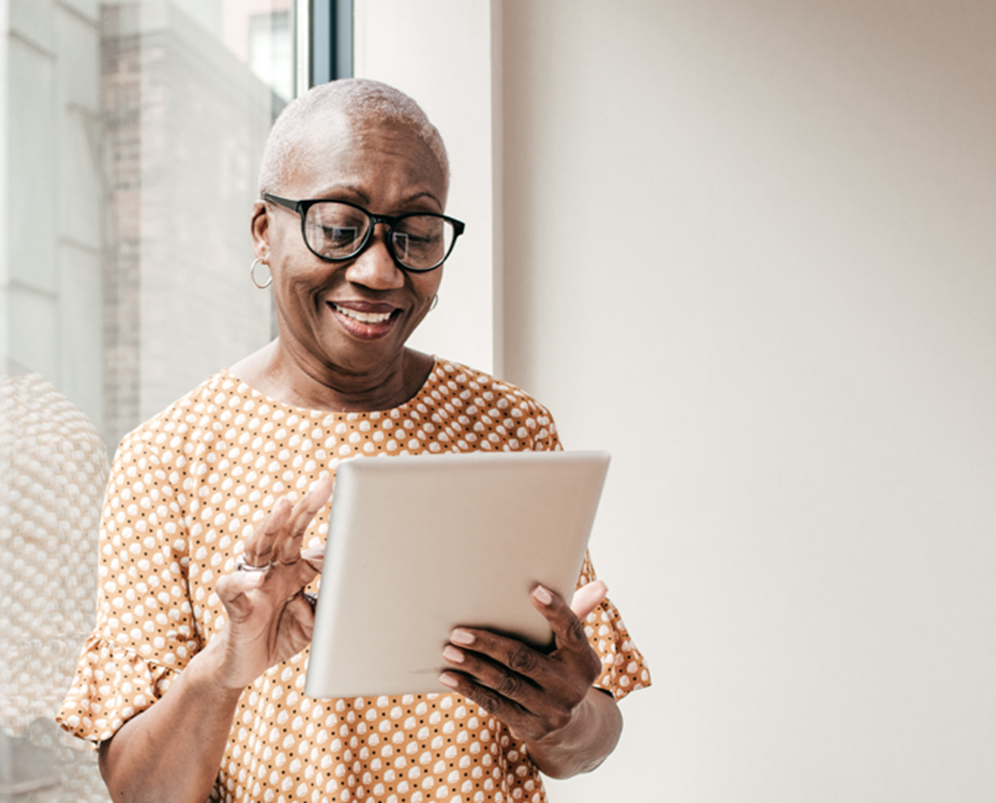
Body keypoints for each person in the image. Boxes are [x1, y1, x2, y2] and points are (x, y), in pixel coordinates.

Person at [57, 78, 649, 803]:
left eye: (417, 233)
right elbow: (141, 793)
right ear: (263, 232)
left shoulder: (510, 429)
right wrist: (225, 666)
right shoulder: (167, 458)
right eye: (338, 228)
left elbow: (591, 738)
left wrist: (559, 715)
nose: (379, 271)